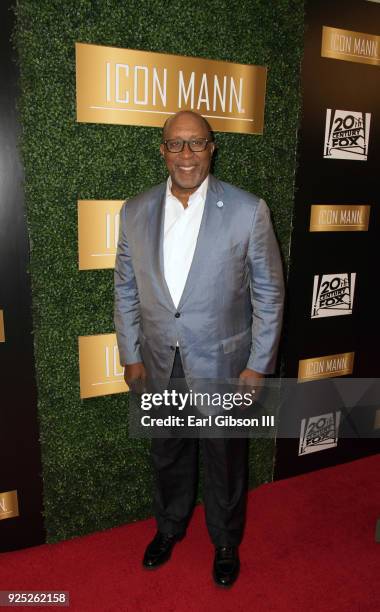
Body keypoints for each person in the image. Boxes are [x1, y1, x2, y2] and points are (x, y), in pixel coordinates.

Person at [114, 110, 284, 587]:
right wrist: (130, 353)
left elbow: (269, 293)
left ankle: (226, 541)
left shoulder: (250, 210)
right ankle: (168, 529)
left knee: (225, 458)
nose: (186, 155)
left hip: (225, 364)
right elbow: (125, 287)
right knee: (167, 454)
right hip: (159, 362)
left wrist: (258, 365)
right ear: (162, 150)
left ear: (212, 147)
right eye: (176, 144)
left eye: (196, 143)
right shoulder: (134, 210)